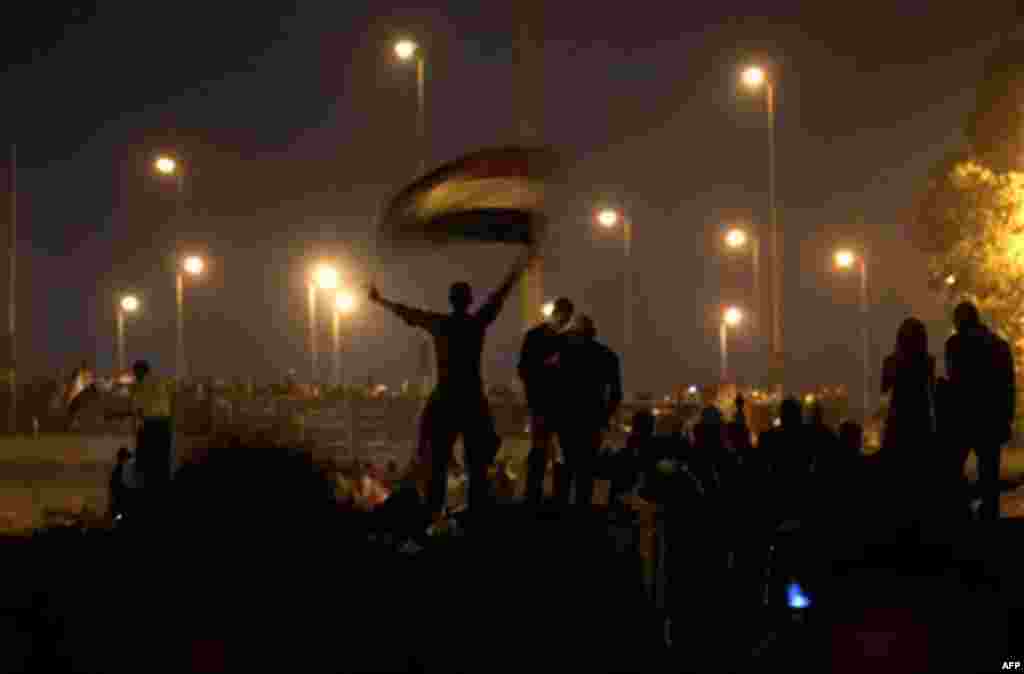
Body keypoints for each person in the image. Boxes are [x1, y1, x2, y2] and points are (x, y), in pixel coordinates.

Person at [369, 243, 537, 524]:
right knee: (477, 463)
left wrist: (378, 300)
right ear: (469, 300)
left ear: (451, 300)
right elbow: (499, 297)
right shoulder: (475, 324)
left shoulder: (441, 324)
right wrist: (518, 270)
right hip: (471, 398)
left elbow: (409, 313)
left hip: (446, 397)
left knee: (437, 461)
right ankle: (477, 513)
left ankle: (433, 513)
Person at [945, 301, 1016, 522]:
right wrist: (1007, 418)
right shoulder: (999, 345)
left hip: (965, 419)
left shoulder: (955, 344)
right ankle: (990, 524)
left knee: (952, 467)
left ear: (959, 322)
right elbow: (1008, 386)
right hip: (991, 419)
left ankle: (961, 513)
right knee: (989, 476)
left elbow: (955, 380)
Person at [553, 314, 623, 508]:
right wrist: (604, 416)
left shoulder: (564, 355)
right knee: (586, 471)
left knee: (565, 467)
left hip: (566, 420)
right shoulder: (606, 355)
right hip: (592, 421)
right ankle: (582, 515)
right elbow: (616, 393)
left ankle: (561, 512)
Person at [518, 296, 574, 506]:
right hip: (552, 405)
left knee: (541, 452)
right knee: (553, 453)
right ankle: (555, 497)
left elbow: (524, 369)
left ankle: (535, 495)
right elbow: (524, 370)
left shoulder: (535, 336)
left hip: (543, 403)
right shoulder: (566, 341)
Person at [131, 360, 175, 512]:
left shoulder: (141, 385)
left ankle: (147, 498)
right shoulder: (160, 382)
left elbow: (138, 410)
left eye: (135, 373)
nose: (134, 376)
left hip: (151, 426)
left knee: (146, 464)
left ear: (139, 372)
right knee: (162, 463)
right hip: (165, 425)